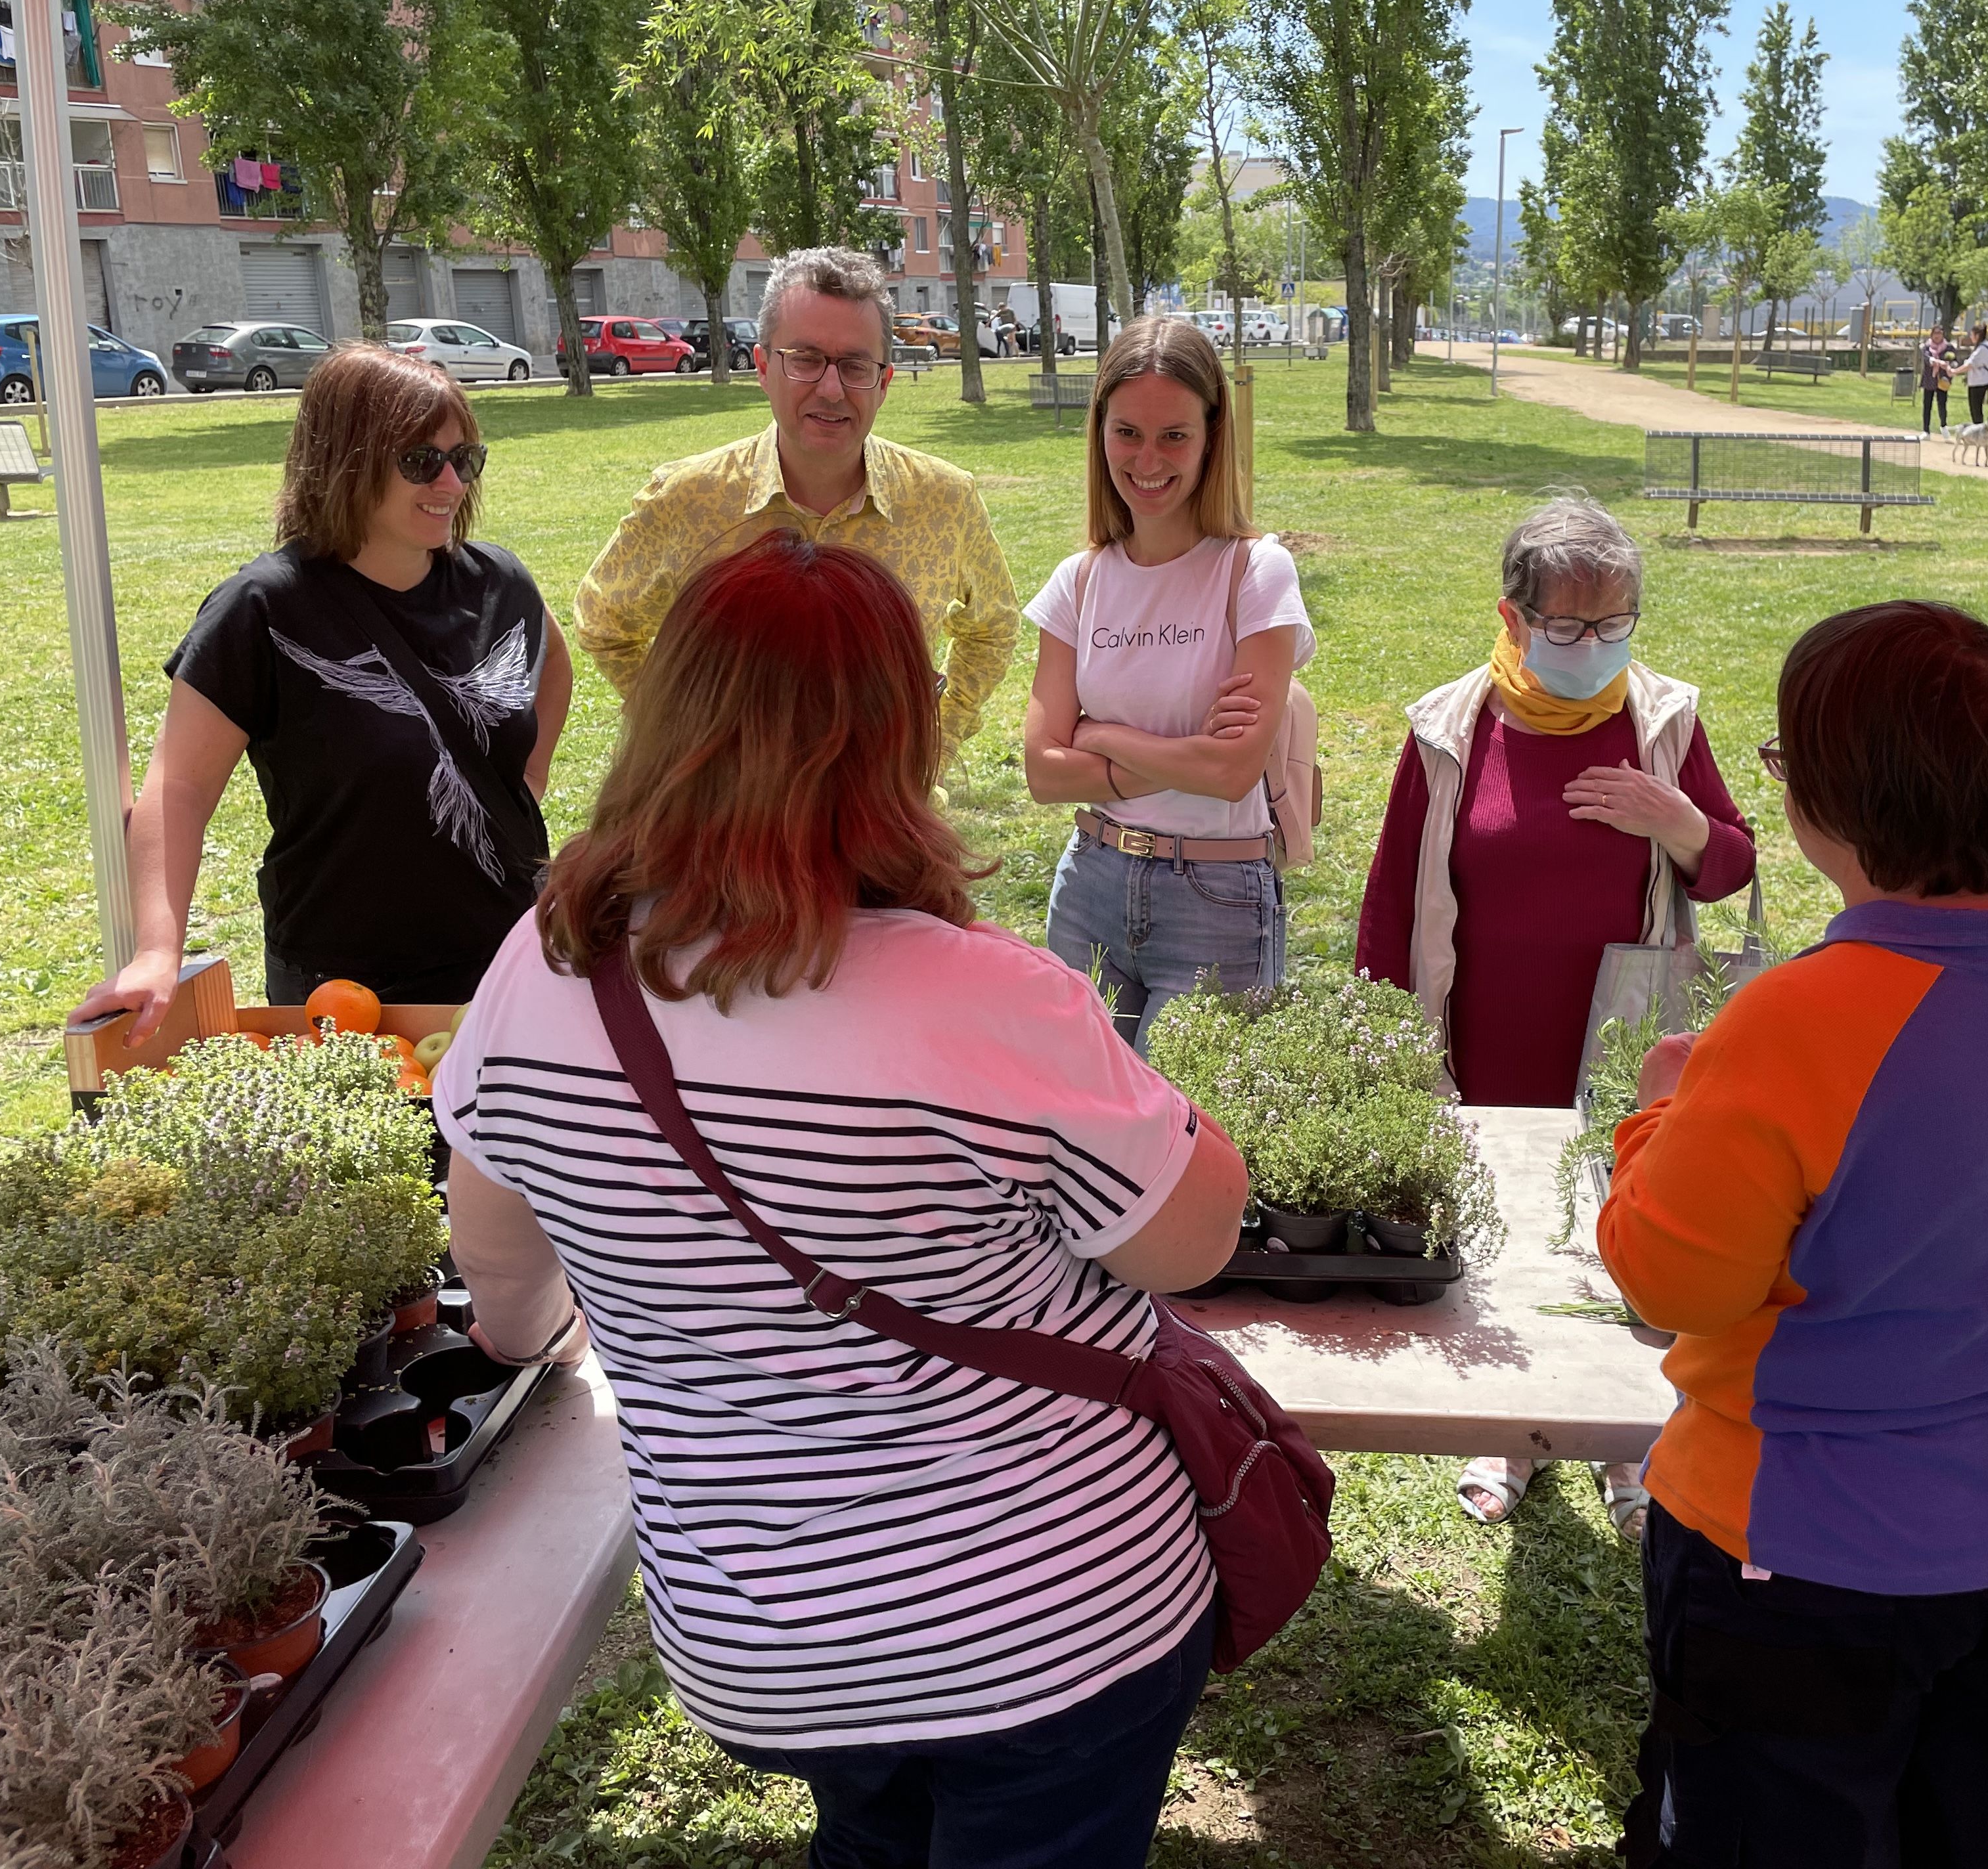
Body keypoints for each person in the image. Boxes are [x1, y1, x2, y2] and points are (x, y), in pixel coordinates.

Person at [435, 535, 1250, 1869]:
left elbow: (512, 1310)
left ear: (671, 716)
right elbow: (1193, 1238)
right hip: (1052, 1622)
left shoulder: (542, 969)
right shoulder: (990, 997)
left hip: (761, 1640)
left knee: (868, 1834)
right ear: (898, 740)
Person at [1599, 600, 1988, 1868]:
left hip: (1810, 1564)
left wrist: (1656, 1115)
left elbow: (1667, 1280)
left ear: (1821, 801)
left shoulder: (1794, 1018)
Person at [1354, 492, 1755, 1541]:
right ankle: (1517, 1431)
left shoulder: (1663, 720)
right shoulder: (1451, 727)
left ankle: (1625, 1439)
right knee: (1510, 1239)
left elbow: (1733, 868)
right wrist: (1387, 1040)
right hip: (1487, 1027)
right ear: (1514, 615)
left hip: (1623, 1031)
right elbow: (1393, 894)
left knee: (1615, 1223)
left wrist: (1680, 822)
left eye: (1615, 623)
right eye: (1568, 626)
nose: (1593, 646)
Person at [72, 342, 572, 1038]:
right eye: (422, 461)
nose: (453, 485)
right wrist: (157, 951)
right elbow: (177, 788)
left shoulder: (499, 583)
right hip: (347, 987)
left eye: (466, 459)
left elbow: (552, 664)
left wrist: (526, 782)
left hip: (511, 957)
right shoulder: (265, 608)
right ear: (349, 460)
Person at [573, 246, 1018, 762]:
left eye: (855, 366)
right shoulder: (687, 500)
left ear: (884, 382)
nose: (831, 389)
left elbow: (994, 628)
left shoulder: (945, 501)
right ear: (763, 367)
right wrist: (686, 735)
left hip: (886, 826)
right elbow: (603, 622)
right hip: (728, 827)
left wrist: (936, 745)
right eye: (805, 360)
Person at [1022, 315, 1312, 1049]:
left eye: (1174, 436)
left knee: (1192, 1138)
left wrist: (1102, 735)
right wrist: (1176, 756)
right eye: (1128, 433)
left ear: (1212, 435)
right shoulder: (1078, 583)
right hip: (1090, 885)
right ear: (1100, 433)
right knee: (1084, 1135)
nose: (1147, 460)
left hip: (1214, 900)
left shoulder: (1255, 572)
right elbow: (1044, 773)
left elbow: (1231, 771)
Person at [1953, 322, 1988, 426]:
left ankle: (1979, 433)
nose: (1971, 337)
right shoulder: (1984, 346)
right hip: (1978, 381)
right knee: (1976, 409)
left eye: (1972, 335)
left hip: (1979, 382)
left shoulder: (1982, 349)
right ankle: (1978, 431)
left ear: (1977, 335)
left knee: (1976, 409)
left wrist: (1955, 372)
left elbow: (1969, 365)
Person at [1918, 324, 1953, 432]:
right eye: (1935, 333)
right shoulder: (1927, 346)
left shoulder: (1949, 347)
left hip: (1943, 379)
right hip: (1930, 378)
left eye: (1940, 333)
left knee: (1942, 404)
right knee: (1927, 405)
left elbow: (1954, 361)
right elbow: (1927, 358)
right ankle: (1926, 430)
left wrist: (1950, 366)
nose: (1937, 336)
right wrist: (1938, 362)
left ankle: (1944, 426)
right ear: (1932, 335)